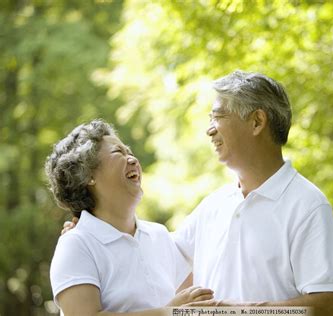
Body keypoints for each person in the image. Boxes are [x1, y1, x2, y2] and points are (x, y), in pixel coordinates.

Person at [63, 71, 333, 315]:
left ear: (257, 122)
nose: (209, 130)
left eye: (218, 117)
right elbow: (150, 256)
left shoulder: (307, 205)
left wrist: (240, 312)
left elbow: (329, 304)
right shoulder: (214, 205)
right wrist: (91, 230)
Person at [46, 119, 213, 315]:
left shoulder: (159, 235)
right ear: (88, 175)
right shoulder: (76, 244)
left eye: (129, 152)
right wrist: (167, 312)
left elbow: (196, 303)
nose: (132, 159)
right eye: (118, 152)